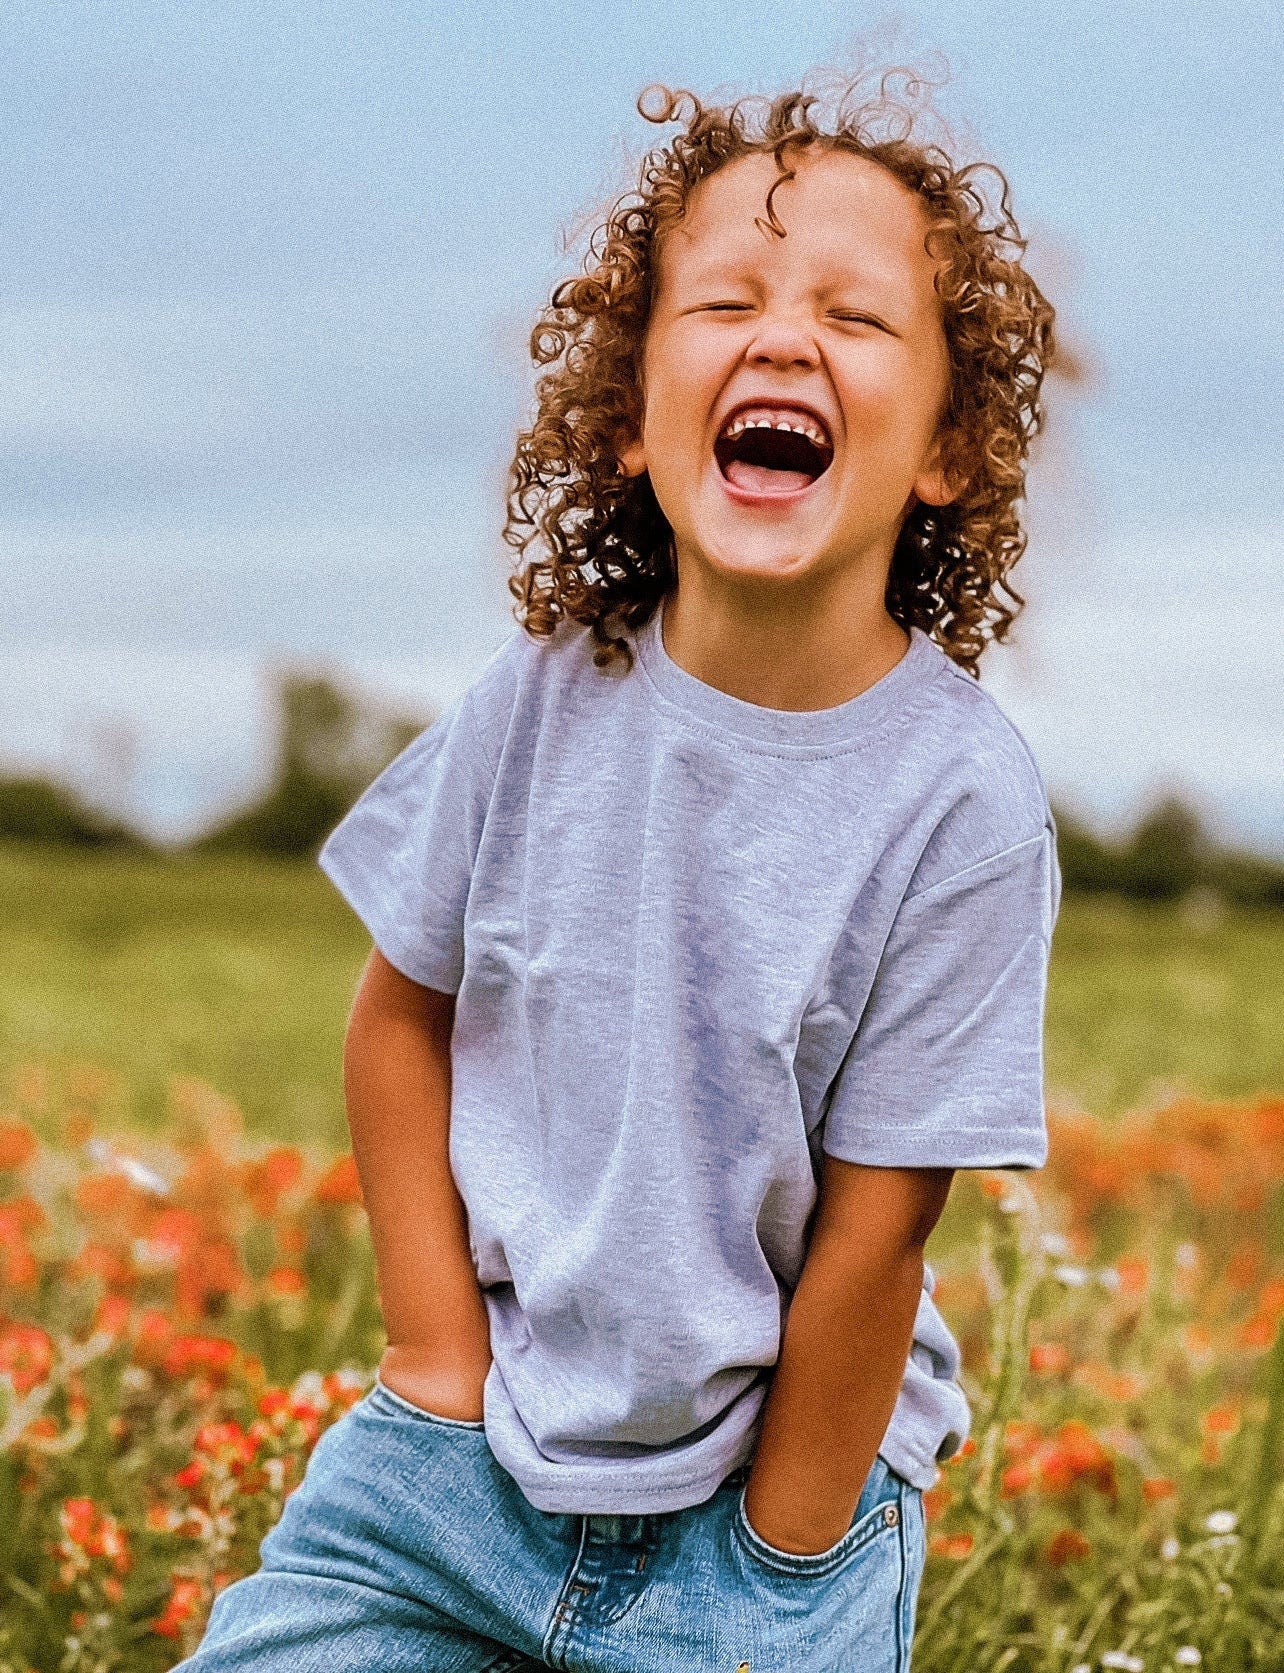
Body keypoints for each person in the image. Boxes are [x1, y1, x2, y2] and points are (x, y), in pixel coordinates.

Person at [179, 72, 1059, 1673]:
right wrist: (433, 1356)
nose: (782, 337)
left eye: (856, 320)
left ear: (945, 452)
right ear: (633, 416)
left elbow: (880, 1223)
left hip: (765, 1511)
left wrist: (789, 1549)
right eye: (723, 299)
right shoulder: (535, 701)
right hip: (453, 1482)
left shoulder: (961, 803)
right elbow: (399, 1018)